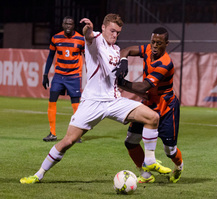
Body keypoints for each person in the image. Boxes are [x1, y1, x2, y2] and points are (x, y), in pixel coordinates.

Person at [20, 14, 171, 184]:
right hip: (92, 102)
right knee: (68, 141)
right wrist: (88, 29)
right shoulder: (96, 39)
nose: (115, 35)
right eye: (112, 31)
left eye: (118, 32)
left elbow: (113, 79)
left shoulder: (115, 50)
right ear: (104, 28)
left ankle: (149, 163)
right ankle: (38, 175)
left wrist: (125, 70)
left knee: (152, 117)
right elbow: (88, 35)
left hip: (114, 101)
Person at [116, 27, 183, 183]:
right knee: (131, 141)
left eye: (158, 43)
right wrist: (124, 62)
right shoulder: (147, 49)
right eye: (152, 42)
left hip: (166, 108)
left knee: (169, 150)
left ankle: (179, 167)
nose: (154, 46)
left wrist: (120, 82)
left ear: (166, 44)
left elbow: (143, 87)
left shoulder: (165, 63)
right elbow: (126, 50)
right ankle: (145, 175)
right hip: (148, 103)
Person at [42, 16, 85, 142]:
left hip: (74, 76)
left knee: (76, 105)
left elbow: (87, 57)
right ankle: (52, 133)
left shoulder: (80, 39)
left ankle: (77, 134)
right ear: (62, 24)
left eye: (70, 24)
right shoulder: (56, 38)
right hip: (59, 76)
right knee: (52, 100)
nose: (68, 26)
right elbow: (50, 57)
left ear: (74, 26)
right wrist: (45, 75)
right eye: (66, 24)